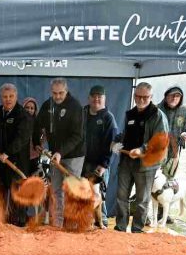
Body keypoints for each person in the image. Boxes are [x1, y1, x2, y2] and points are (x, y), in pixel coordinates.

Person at [113, 82, 170, 233]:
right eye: (138, 96)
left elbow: (161, 140)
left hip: (146, 165)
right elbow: (125, 134)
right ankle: (120, 227)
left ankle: (137, 229)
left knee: (142, 200)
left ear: (151, 97)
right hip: (126, 161)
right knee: (121, 196)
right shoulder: (130, 114)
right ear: (134, 96)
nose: (141, 99)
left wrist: (142, 149)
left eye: (145, 97)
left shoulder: (157, 115)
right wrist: (116, 142)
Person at [33, 77, 85, 228]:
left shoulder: (75, 107)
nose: (57, 96)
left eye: (60, 93)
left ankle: (72, 226)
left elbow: (78, 136)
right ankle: (57, 225)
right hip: (55, 155)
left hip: (74, 155)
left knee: (72, 191)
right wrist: (37, 142)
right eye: (54, 93)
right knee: (55, 190)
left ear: (66, 91)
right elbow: (37, 125)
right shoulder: (47, 105)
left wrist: (61, 152)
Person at [0, 83, 32, 227]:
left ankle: (17, 226)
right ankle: (0, 223)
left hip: (16, 163)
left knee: (16, 196)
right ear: (1, 98)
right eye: (5, 97)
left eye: (11, 96)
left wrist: (8, 152)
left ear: (16, 97)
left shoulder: (23, 115)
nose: (8, 99)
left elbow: (22, 138)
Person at [83, 85, 118, 227]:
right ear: (89, 97)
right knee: (84, 194)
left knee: (98, 195)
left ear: (104, 99)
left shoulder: (108, 118)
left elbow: (112, 144)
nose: (96, 99)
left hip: (99, 165)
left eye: (100, 96)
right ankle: (85, 220)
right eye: (94, 96)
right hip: (82, 163)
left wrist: (104, 165)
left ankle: (101, 221)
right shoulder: (82, 113)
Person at [159, 86, 186, 179]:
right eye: (171, 95)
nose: (174, 98)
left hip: (174, 150)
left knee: (169, 177)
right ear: (166, 96)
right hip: (157, 150)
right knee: (154, 179)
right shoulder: (156, 110)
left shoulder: (185, 111)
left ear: (181, 98)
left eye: (177, 96)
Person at [22, 97, 40, 175]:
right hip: (21, 157)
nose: (29, 110)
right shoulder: (19, 121)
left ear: (35, 110)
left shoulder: (37, 122)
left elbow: (37, 138)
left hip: (34, 156)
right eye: (27, 107)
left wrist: (37, 145)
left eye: (32, 108)